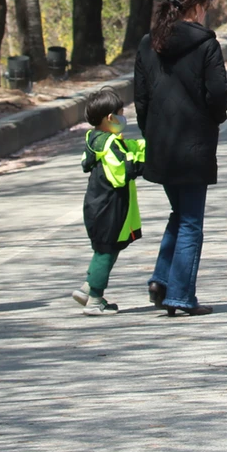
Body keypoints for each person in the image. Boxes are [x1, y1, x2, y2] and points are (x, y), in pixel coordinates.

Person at [135, 0, 227, 317]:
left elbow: (141, 98)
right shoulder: (206, 45)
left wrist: (150, 133)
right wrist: (215, 118)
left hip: (160, 142)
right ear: (197, 7)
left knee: (180, 213)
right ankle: (180, 295)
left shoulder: (149, 43)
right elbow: (217, 93)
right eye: (205, 6)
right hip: (194, 144)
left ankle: (162, 278)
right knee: (191, 221)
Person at [72, 87, 144, 316]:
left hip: (96, 205)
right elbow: (121, 172)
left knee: (104, 249)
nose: (124, 117)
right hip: (109, 207)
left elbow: (130, 148)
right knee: (106, 251)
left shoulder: (96, 139)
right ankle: (95, 298)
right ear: (110, 118)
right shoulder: (110, 143)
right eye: (121, 113)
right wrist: (140, 165)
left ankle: (87, 289)